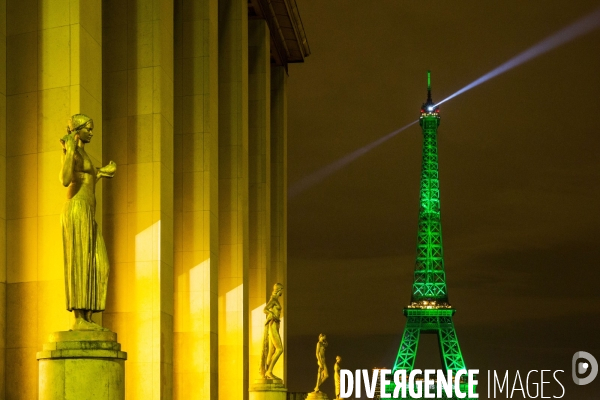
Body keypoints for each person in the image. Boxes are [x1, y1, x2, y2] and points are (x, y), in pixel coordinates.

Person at [60, 114, 116, 331]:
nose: (92, 132)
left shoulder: (84, 152)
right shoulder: (71, 150)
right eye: (88, 129)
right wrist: (70, 150)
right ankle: (79, 318)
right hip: (77, 209)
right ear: (78, 130)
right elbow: (65, 180)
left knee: (100, 264)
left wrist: (103, 172)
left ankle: (88, 316)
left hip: (88, 213)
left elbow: (88, 177)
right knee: (81, 261)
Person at [260, 283, 284, 380]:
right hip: (273, 325)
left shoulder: (276, 300)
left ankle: (266, 372)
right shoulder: (273, 299)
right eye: (281, 290)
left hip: (276, 325)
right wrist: (272, 315)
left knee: (272, 351)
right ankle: (269, 371)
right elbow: (265, 309)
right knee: (280, 349)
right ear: (279, 290)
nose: (282, 292)